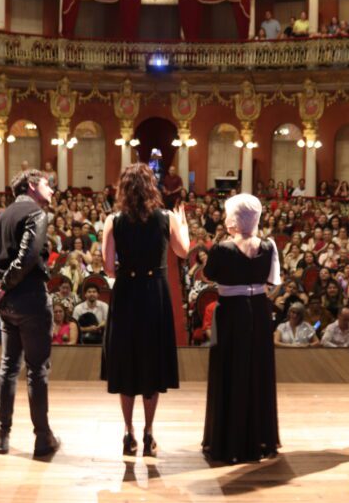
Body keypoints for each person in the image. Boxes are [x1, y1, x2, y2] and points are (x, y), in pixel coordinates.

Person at [101, 164, 189, 458]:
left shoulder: (113, 220)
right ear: (152, 186)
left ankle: (128, 433)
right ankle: (149, 432)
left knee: (127, 362)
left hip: (127, 293)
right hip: (154, 294)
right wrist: (183, 224)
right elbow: (183, 251)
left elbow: (108, 267)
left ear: (123, 189)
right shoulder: (167, 217)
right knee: (151, 362)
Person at [0, 169, 60, 457]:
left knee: (8, 367)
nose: (52, 190)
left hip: (7, 305)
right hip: (31, 299)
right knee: (37, 370)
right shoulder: (36, 213)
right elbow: (28, 256)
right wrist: (4, 285)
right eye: (47, 184)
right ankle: (43, 438)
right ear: (31, 186)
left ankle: (2, 434)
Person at [201, 193, 281, 463]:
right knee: (257, 370)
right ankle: (259, 438)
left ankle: (227, 440)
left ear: (235, 218)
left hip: (230, 312)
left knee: (227, 368)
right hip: (259, 310)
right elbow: (272, 280)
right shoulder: (268, 246)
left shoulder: (222, 248)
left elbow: (208, 275)